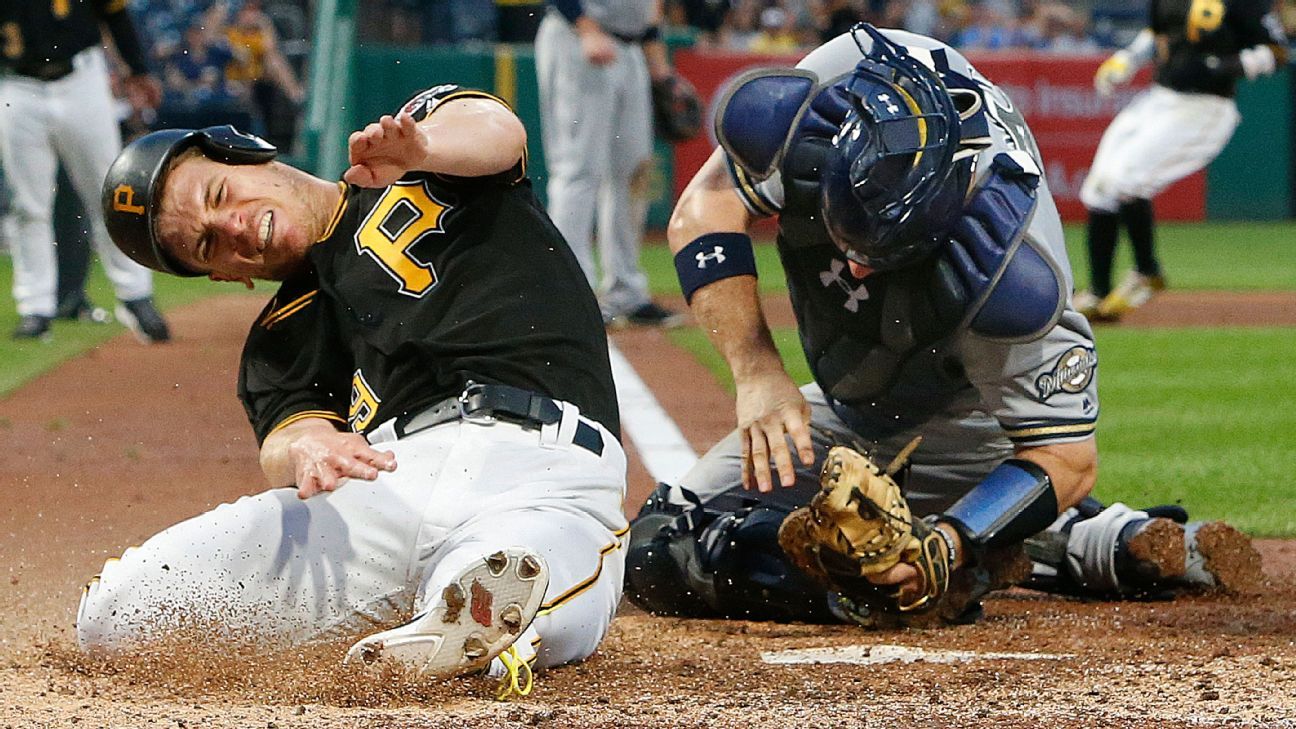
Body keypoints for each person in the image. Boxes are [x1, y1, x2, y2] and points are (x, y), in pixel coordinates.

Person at [623, 24, 1261, 626]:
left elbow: (1066, 458)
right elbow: (702, 211)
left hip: (962, 419)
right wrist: (757, 372)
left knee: (821, 557)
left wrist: (945, 545)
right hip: (845, 406)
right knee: (659, 546)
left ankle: (915, 574)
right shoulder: (820, 102)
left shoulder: (1012, 270)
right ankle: (1085, 542)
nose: (854, 268)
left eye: (880, 255)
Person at [81, 85, 628, 697]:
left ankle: (472, 617)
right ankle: (440, 624)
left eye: (218, 194)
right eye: (208, 244)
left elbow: (496, 132)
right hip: (384, 487)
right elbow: (288, 434)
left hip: (534, 463)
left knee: (520, 563)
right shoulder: (278, 339)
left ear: (249, 152)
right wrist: (308, 446)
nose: (232, 226)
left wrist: (424, 148)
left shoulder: (415, 164)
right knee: (117, 612)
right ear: (224, 276)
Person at [1076, 0, 1288, 322]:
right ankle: (1099, 292)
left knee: (1127, 180)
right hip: (1160, 98)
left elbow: (1277, 53)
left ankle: (1147, 271)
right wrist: (1128, 58)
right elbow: (1159, 33)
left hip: (1206, 106)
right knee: (1099, 189)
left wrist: (1222, 66)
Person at [0, 0, 170, 342]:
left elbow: (115, 12)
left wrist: (138, 68)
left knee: (111, 191)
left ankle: (135, 295)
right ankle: (36, 306)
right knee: (28, 205)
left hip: (81, 79)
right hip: (18, 86)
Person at [535, 0, 685, 327]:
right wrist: (585, 27)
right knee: (578, 169)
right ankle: (571, 296)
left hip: (630, 48)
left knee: (634, 172)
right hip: (576, 38)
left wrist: (657, 60)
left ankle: (626, 292)